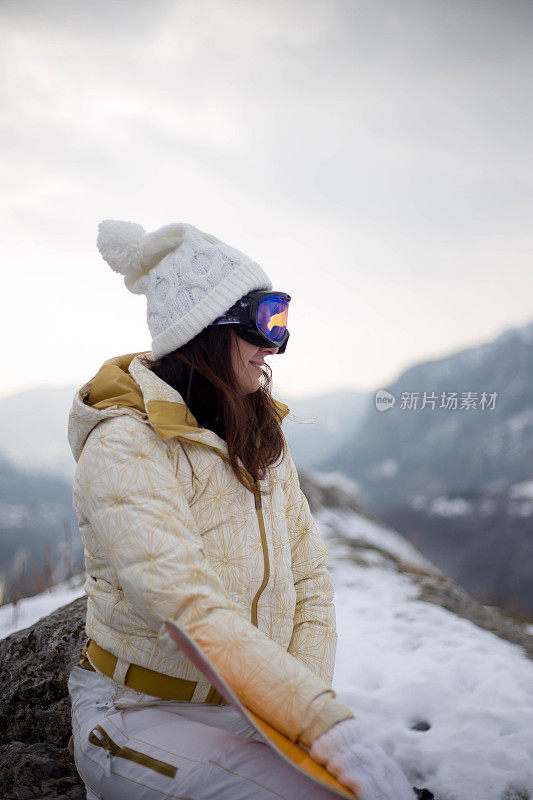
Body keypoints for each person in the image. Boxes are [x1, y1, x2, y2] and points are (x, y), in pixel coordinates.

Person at [67, 219, 417, 800]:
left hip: (244, 709)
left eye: (281, 322)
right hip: (138, 713)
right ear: (206, 332)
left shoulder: (258, 437)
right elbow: (186, 604)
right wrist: (323, 724)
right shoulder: (125, 444)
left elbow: (309, 580)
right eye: (264, 322)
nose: (274, 347)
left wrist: (303, 715)